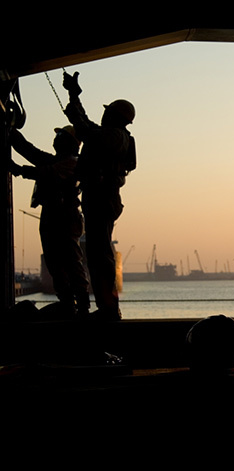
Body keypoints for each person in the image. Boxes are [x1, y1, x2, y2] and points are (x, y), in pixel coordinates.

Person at [62, 71, 137, 321]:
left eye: (107, 112)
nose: (103, 114)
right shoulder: (114, 136)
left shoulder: (113, 137)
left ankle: (108, 309)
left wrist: (73, 94)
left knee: (100, 257)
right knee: (98, 255)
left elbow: (84, 129)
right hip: (104, 198)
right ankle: (106, 307)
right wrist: (75, 96)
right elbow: (86, 125)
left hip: (102, 199)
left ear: (114, 116)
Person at [9, 126, 90, 317]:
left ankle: (82, 305)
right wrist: (12, 132)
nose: (56, 138)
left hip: (65, 216)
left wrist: (18, 169)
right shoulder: (58, 160)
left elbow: (45, 171)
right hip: (53, 215)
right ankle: (67, 302)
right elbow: (30, 151)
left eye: (60, 135)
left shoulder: (71, 163)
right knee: (55, 262)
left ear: (70, 142)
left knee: (71, 261)